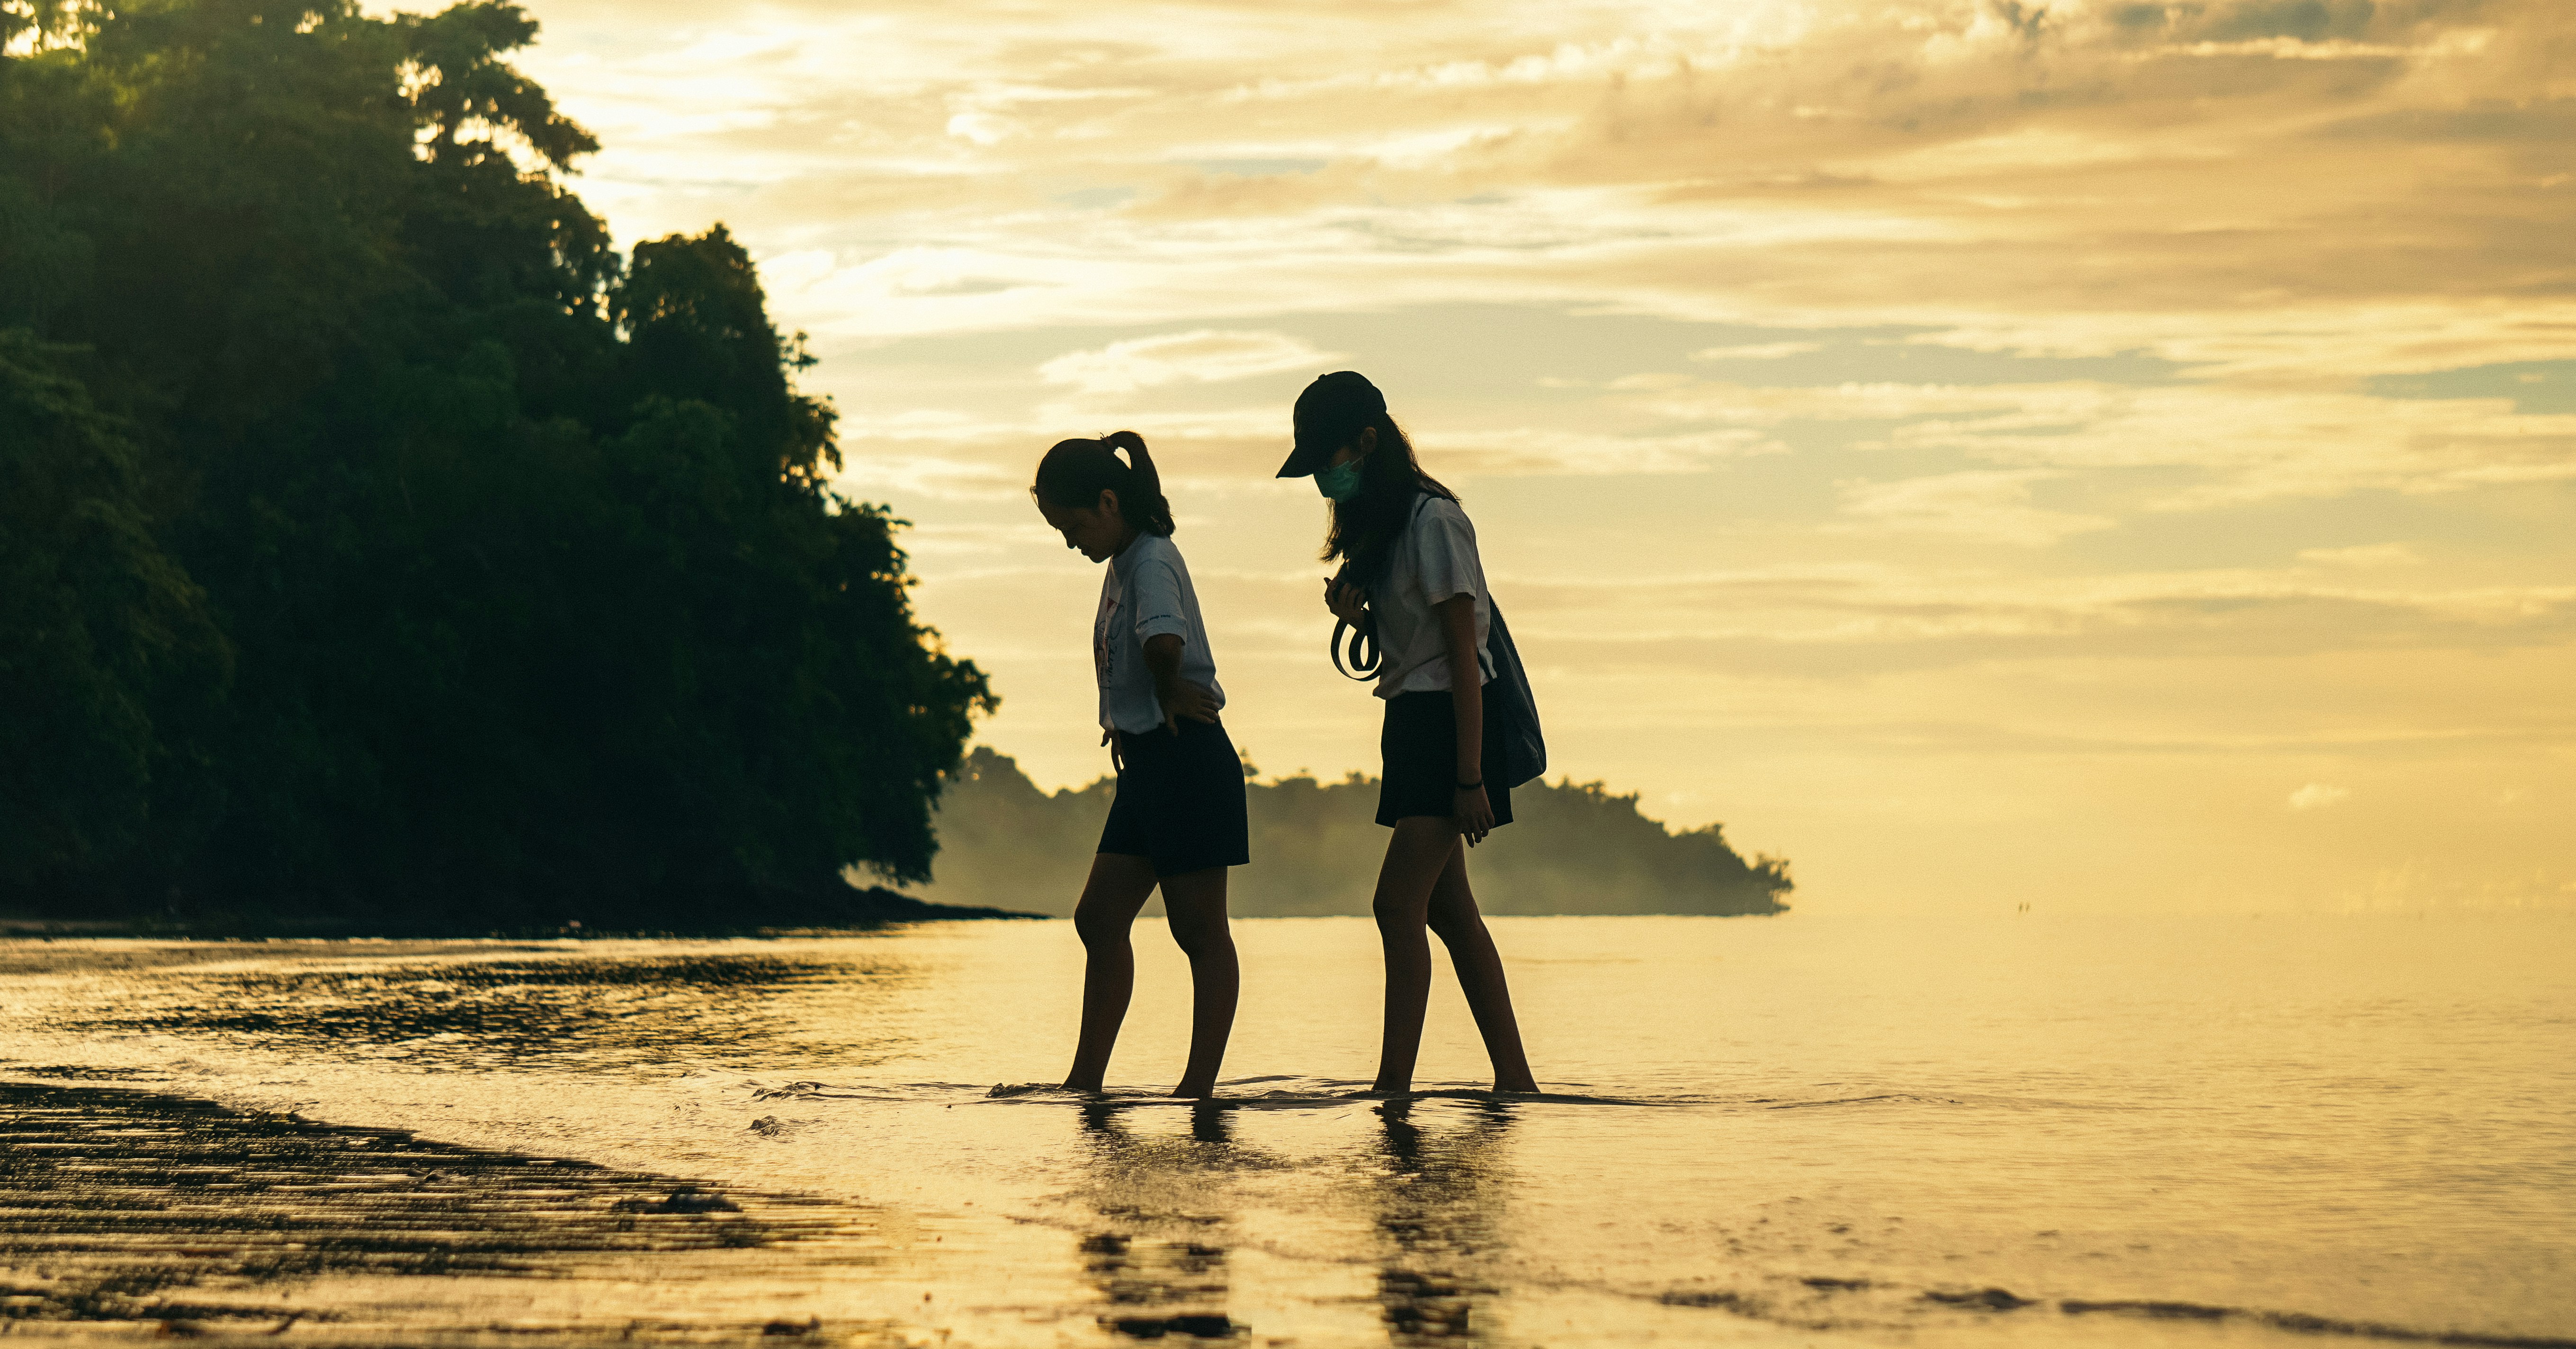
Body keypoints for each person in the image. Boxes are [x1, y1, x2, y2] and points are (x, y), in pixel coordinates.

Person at [1278, 372, 1539, 1096]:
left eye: (1326, 461)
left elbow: (1464, 654)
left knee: (1397, 905)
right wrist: (1357, 616)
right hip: (1412, 722)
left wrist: (1468, 778)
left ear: (1367, 444)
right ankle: (1515, 1081)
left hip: (1450, 726)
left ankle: (1393, 1087)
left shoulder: (1434, 522)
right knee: (1449, 912)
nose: (1323, 480)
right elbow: (1419, 644)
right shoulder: (1387, 529)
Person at [1032, 431, 1246, 1099]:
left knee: (1199, 931)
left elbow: (1163, 640)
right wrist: (1127, 722)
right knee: (1098, 919)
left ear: (1107, 500)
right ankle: (1085, 1082)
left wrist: (1160, 695)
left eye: (1073, 526)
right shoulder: (1124, 562)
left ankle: (1197, 1090)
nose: (1072, 541)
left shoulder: (1151, 560)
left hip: (1187, 760)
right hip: (1150, 764)